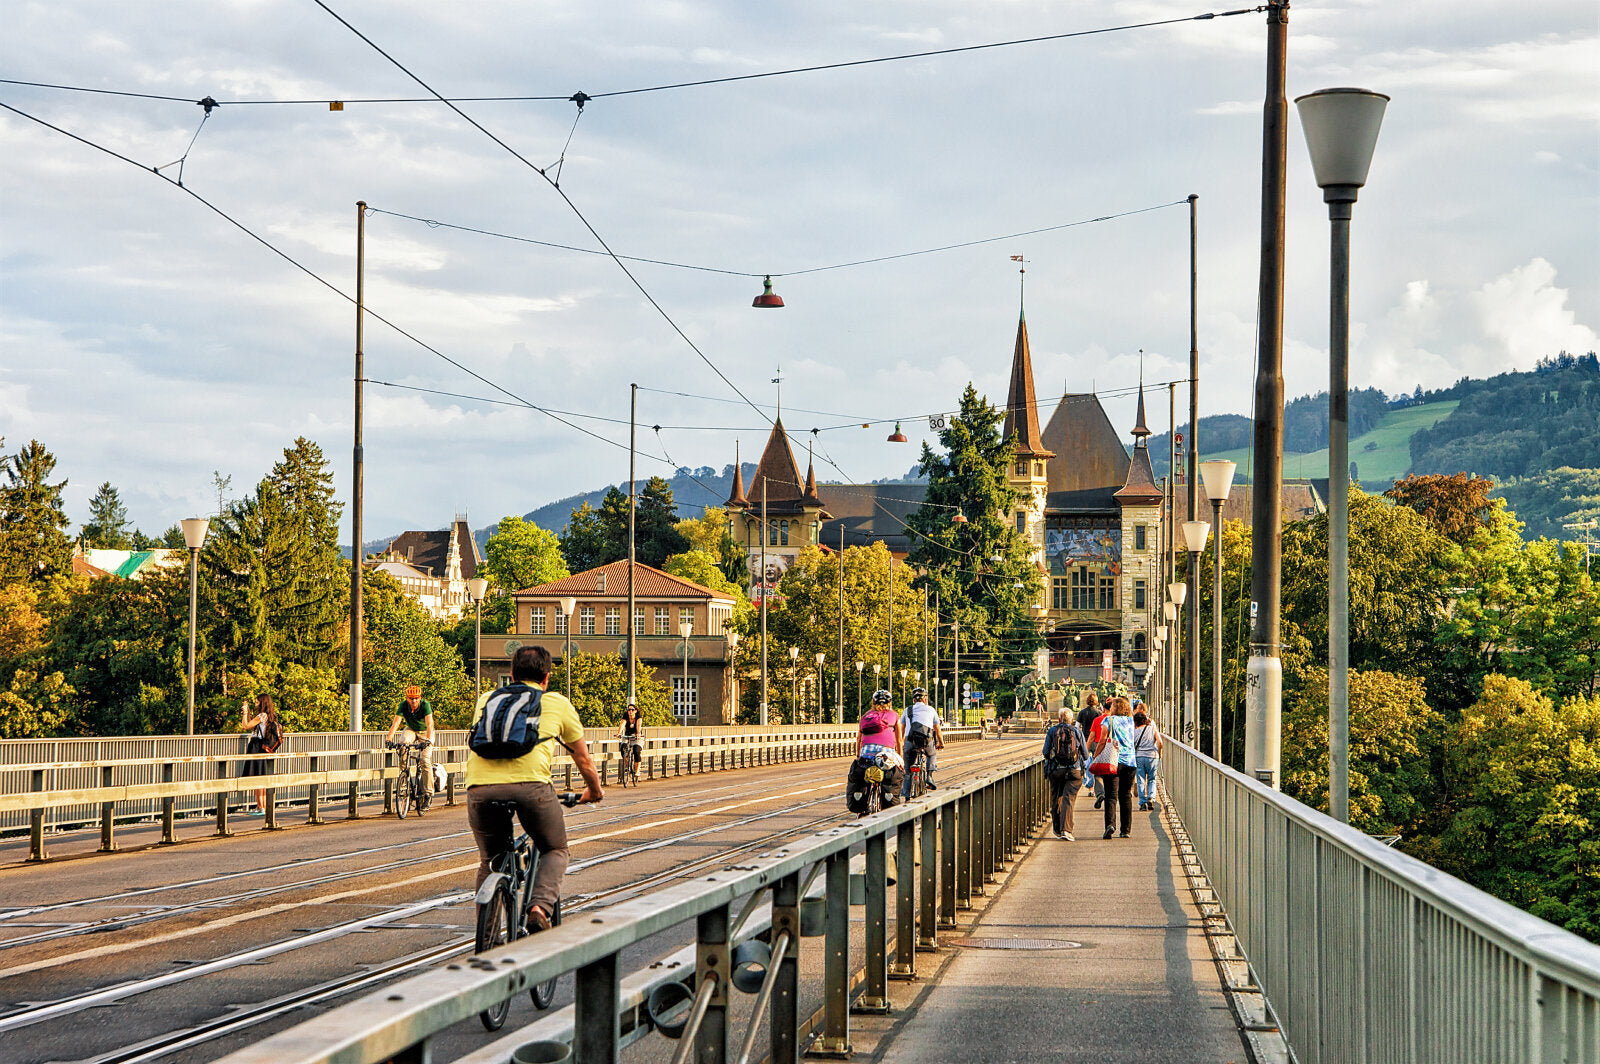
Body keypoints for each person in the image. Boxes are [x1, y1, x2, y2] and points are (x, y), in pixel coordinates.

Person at [467, 645, 604, 930]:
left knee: (490, 860)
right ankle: (539, 908)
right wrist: (594, 791)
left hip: (480, 789)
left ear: (512, 675)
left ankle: (487, 935)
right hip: (532, 789)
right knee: (555, 848)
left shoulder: (487, 699)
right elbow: (583, 758)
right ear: (546, 677)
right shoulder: (557, 703)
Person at [1092, 696, 1138, 839]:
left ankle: (1110, 825)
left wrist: (1096, 755)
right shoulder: (1131, 721)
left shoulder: (1109, 720)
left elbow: (1102, 740)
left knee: (1111, 795)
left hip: (1113, 761)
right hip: (1130, 761)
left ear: (1115, 708)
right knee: (1125, 795)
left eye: (1112, 706)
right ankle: (1126, 830)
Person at [1042, 708, 1089, 840]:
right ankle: (1066, 830)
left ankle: (1057, 829)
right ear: (1071, 720)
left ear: (1059, 719)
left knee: (1057, 797)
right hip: (1074, 771)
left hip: (1056, 770)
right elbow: (1085, 755)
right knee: (1069, 798)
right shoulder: (1077, 731)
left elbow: (1045, 752)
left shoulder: (1052, 731)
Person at [385, 685, 436, 794]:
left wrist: (428, 740)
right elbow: (396, 723)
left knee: (425, 761)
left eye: (416, 698)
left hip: (425, 731)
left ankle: (428, 792)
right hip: (411, 729)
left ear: (420, 698)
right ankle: (404, 774)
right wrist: (388, 739)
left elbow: (429, 724)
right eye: (411, 698)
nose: (414, 701)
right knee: (402, 744)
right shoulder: (403, 705)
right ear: (407, 698)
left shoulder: (425, 705)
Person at [238, 694, 283, 815]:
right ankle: (262, 806)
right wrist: (248, 713)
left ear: (262, 703)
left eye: (257, 702)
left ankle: (260, 807)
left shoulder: (261, 715)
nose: (256, 704)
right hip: (262, 747)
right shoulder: (268, 715)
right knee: (261, 776)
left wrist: (244, 713)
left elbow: (245, 726)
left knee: (257, 778)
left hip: (256, 747)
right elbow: (251, 725)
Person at [900, 687, 945, 797]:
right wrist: (941, 743)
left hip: (910, 740)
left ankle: (906, 794)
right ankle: (929, 775)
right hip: (926, 740)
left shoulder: (907, 710)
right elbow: (937, 729)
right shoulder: (931, 710)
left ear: (913, 700)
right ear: (925, 699)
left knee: (907, 769)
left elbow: (902, 728)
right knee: (931, 754)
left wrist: (901, 743)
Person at [1076, 694, 1105, 808]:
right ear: (1096, 701)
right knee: (1096, 765)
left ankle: (1090, 788)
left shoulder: (1082, 712)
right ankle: (1096, 788)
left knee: (1086, 764)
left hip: (1085, 741)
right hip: (1096, 741)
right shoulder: (1098, 713)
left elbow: (1077, 727)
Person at [1132, 709, 1164, 810]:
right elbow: (1160, 742)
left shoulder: (1134, 732)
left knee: (1141, 779)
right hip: (1153, 756)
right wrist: (1160, 753)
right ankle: (1151, 798)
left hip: (1139, 757)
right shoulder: (1152, 729)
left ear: (1135, 722)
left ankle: (1142, 803)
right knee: (1152, 779)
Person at [857, 689, 902, 753]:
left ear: (873, 702)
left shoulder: (866, 715)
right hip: (887, 750)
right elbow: (899, 740)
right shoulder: (894, 715)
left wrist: (858, 755)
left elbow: (859, 738)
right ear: (889, 703)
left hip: (866, 749)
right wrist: (900, 756)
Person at [614, 704, 645, 772]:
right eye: (629, 710)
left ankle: (637, 770)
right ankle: (627, 764)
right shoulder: (626, 716)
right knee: (623, 748)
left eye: (632, 710)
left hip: (636, 737)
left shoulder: (638, 717)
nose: (630, 711)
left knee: (636, 751)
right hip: (627, 736)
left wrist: (638, 733)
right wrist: (619, 733)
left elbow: (638, 725)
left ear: (635, 711)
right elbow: (622, 724)